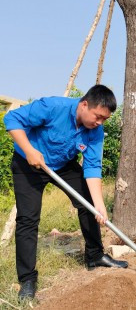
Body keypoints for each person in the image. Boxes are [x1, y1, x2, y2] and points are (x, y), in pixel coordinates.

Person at [4, 85, 129, 300]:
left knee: (88, 203)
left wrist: (98, 204)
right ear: (84, 104)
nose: (99, 123)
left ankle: (95, 256)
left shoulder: (95, 132)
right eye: (98, 116)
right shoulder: (53, 107)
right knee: (28, 219)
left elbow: (92, 167)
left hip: (63, 165)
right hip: (29, 164)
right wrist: (29, 150)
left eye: (104, 120)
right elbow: (12, 119)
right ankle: (27, 279)